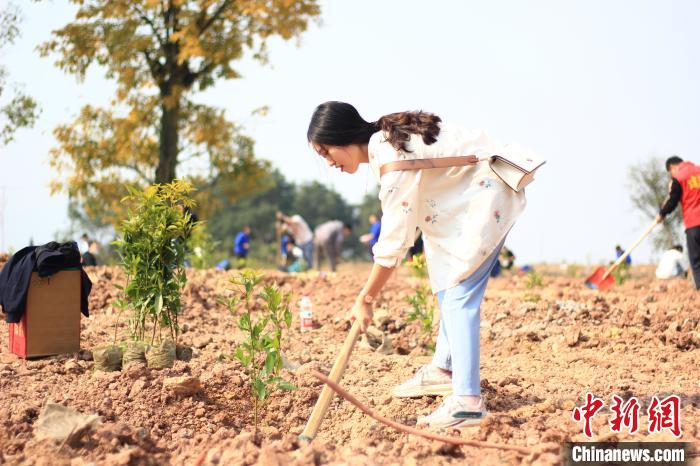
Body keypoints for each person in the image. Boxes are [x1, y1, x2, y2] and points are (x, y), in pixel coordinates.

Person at [307, 101, 527, 429]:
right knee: (445, 278)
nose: (329, 163)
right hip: (463, 204)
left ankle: (467, 403)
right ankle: (445, 367)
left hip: (486, 197)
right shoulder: (385, 145)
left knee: (458, 292)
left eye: (326, 153)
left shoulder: (391, 158)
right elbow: (405, 230)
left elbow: (395, 238)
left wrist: (366, 297)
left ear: (340, 138)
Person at [656, 156, 700, 290]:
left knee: (696, 260)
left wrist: (662, 213)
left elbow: (673, 200)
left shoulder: (679, 178)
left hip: (694, 222)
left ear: (672, 168)